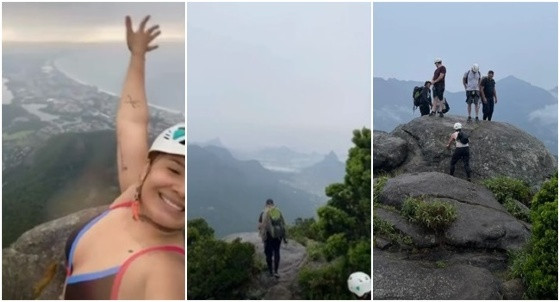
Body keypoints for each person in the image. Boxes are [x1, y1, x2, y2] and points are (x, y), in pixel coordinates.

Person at [63, 16, 185, 299]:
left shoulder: (166, 274)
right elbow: (131, 122)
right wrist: (138, 54)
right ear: (146, 170)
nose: (182, 189)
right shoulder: (133, 194)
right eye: (175, 170)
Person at [258, 199, 287, 278]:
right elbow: (283, 223)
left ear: (266, 204)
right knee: (277, 251)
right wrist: (284, 236)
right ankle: (276, 272)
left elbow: (260, 226)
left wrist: (261, 232)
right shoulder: (278, 211)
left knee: (268, 254)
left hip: (268, 236)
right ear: (273, 204)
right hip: (278, 235)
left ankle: (270, 271)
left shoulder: (263, 213)